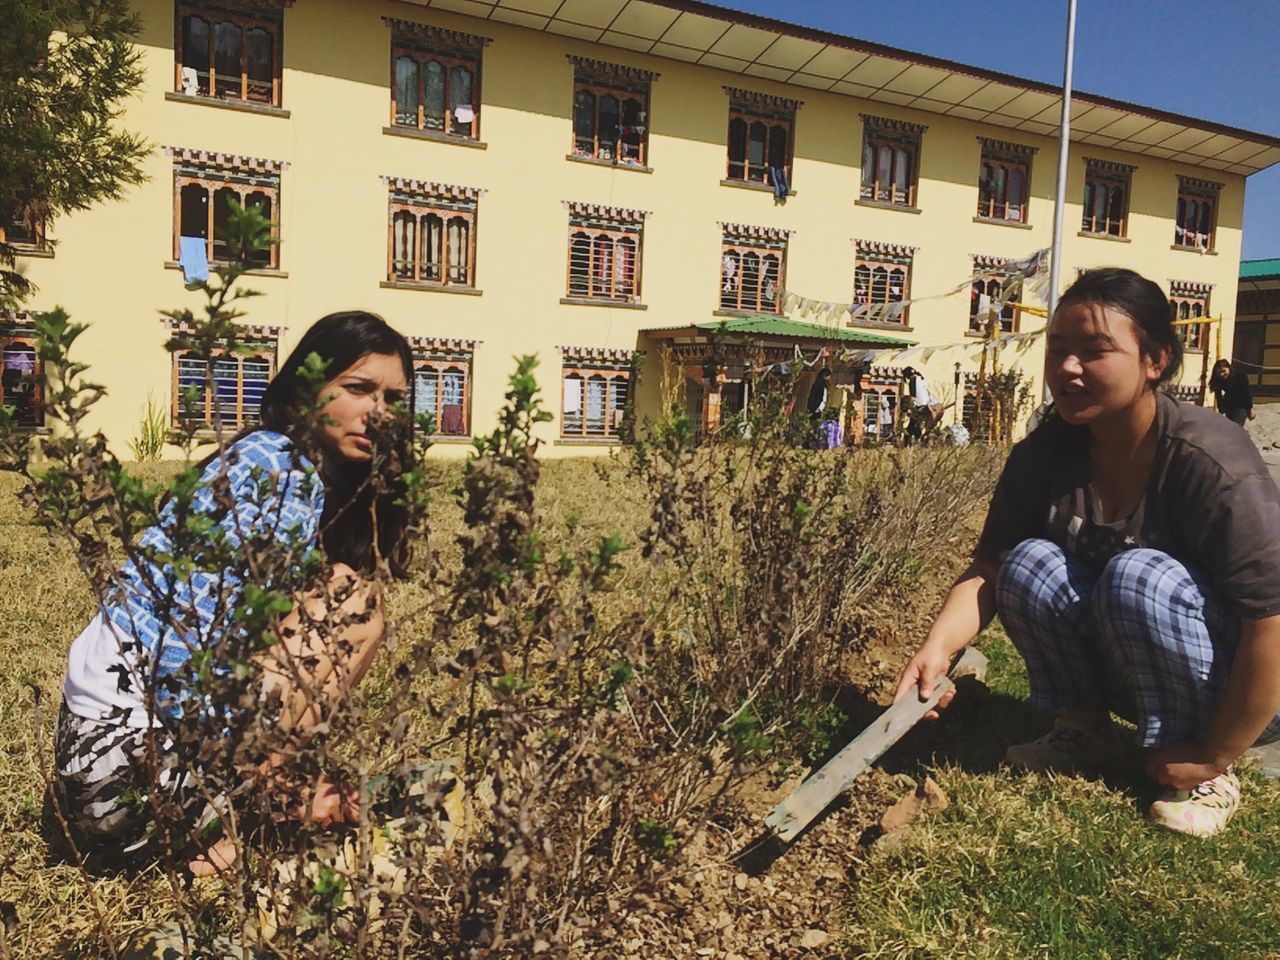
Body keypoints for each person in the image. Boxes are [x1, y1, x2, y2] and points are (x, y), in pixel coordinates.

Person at [895, 268, 1280, 838]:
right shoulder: (1046, 453)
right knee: (1028, 564)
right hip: (1139, 654)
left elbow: (1269, 622)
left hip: (1242, 689)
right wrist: (937, 648)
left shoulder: (1211, 461)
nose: (1068, 369)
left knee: (1137, 573)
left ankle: (1202, 769)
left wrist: (1217, 750)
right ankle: (1085, 726)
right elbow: (989, 569)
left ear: (1156, 360)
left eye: (1094, 351)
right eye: (1058, 350)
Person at [54, 311, 415, 874]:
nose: (379, 414)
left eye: (394, 398)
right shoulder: (277, 466)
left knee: (342, 595)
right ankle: (240, 809)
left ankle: (237, 806)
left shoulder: (297, 471)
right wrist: (270, 782)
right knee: (354, 601)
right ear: (307, 389)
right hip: (127, 780)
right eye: (357, 389)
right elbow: (180, 650)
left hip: (100, 780)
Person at [1208, 358, 1255, 426]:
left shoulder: (1241, 376)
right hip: (1229, 405)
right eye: (1219, 373)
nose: (1221, 374)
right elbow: (1219, 396)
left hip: (1241, 405)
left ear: (1229, 368)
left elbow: (1247, 393)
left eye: (1224, 371)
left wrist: (1250, 409)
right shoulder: (1218, 379)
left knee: (1236, 426)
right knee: (1230, 427)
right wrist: (1222, 411)